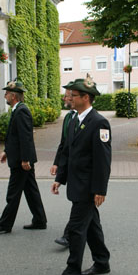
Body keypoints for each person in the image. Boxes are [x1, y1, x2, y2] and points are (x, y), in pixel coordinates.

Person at [48, 76, 111, 275]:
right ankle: (102, 261)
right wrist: (59, 178)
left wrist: (100, 190)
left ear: (86, 97)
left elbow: (103, 161)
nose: (69, 99)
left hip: (87, 188)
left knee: (76, 230)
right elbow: (68, 152)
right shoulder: (74, 120)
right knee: (92, 226)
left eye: (73, 96)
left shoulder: (99, 122)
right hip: (76, 184)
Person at [0, 79, 47, 233]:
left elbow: (25, 137)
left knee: (13, 193)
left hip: (22, 161)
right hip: (20, 158)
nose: (5, 96)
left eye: (6, 94)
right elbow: (14, 137)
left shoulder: (21, 111)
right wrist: (6, 151)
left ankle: (5, 224)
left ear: (13, 96)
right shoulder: (17, 110)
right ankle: (40, 220)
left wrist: (25, 159)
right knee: (30, 190)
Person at [50, 83, 76, 248]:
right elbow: (63, 144)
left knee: (81, 210)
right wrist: (56, 163)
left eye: (67, 96)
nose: (64, 98)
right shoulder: (68, 117)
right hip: (70, 168)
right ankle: (101, 258)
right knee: (88, 215)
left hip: (82, 175)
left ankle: (68, 236)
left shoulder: (93, 120)